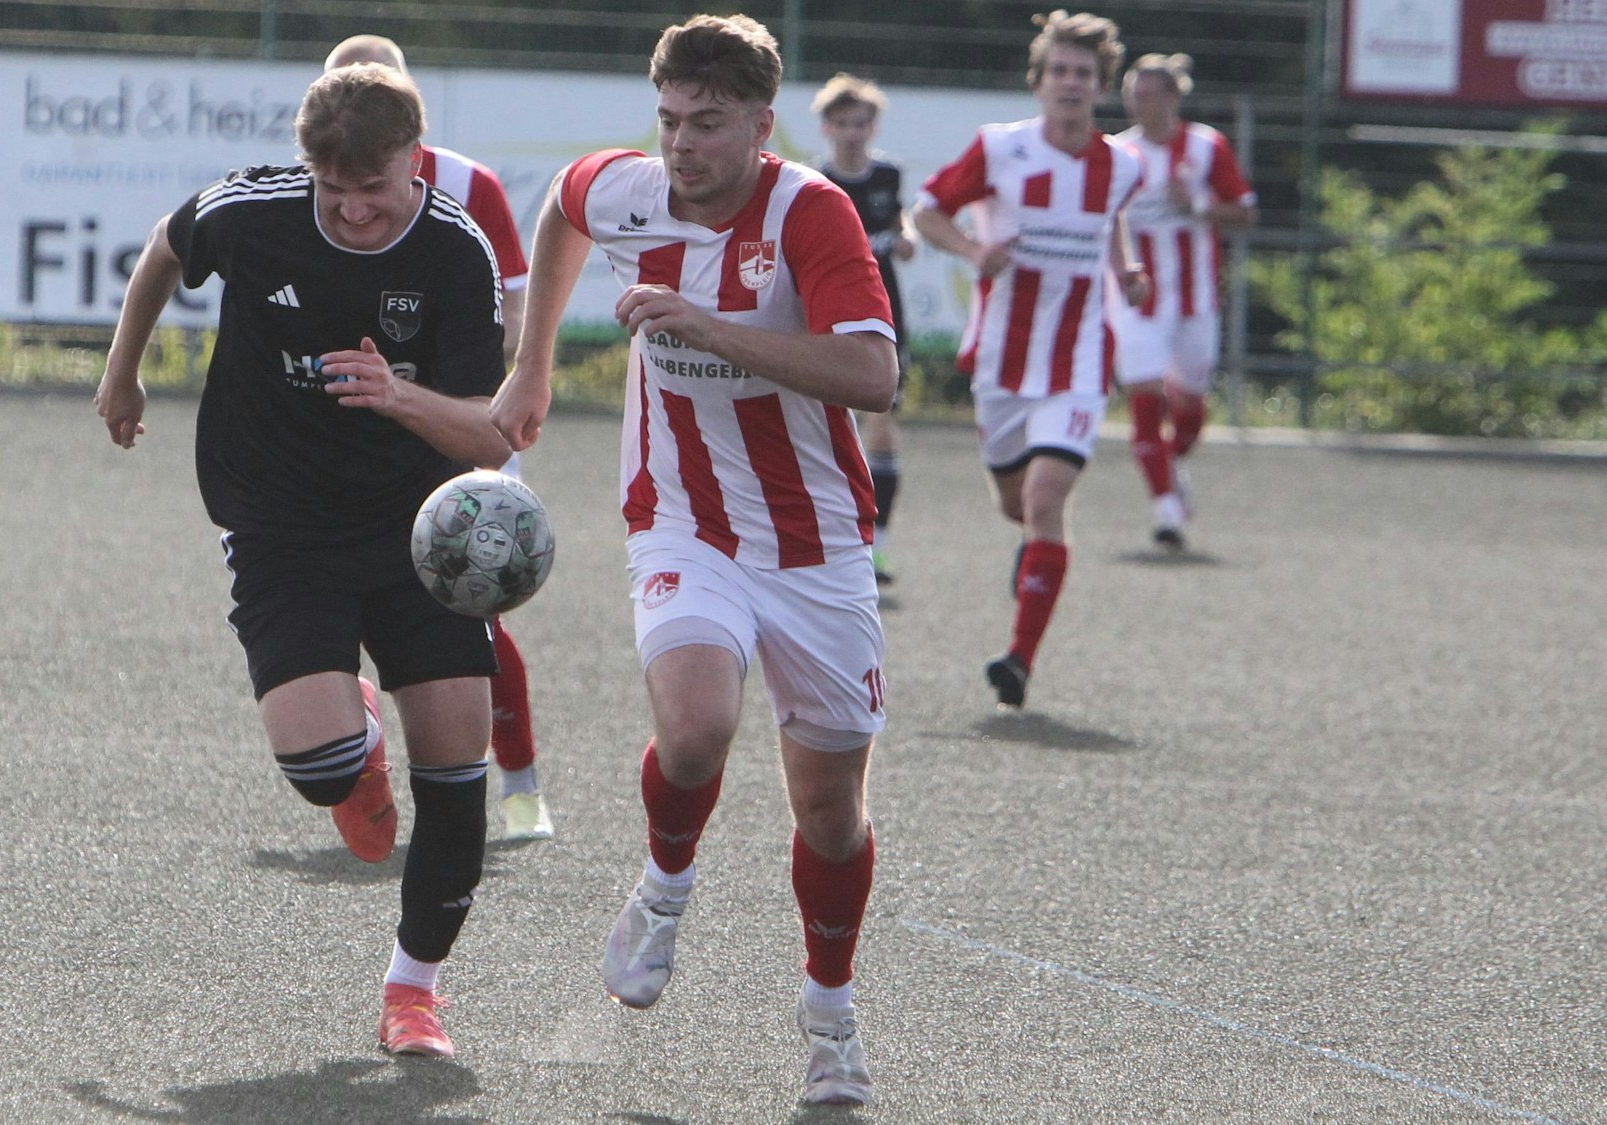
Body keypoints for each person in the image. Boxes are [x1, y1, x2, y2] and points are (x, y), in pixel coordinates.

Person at [489, 14, 897, 1105]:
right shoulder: (624, 188)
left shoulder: (811, 211)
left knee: (828, 813)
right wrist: (530, 367)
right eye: (668, 119)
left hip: (814, 543)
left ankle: (828, 1014)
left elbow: (870, 375)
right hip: (681, 520)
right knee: (696, 725)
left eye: (708, 124)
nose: (681, 145)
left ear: (762, 126)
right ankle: (664, 887)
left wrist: (709, 328)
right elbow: (561, 209)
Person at [94, 62, 513, 1059]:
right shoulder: (251, 211)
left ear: (414, 162)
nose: (356, 214)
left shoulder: (458, 252)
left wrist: (397, 396)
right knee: (321, 765)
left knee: (457, 768)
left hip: (421, 530)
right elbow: (164, 247)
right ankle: (353, 743)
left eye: (374, 192)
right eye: (335, 194)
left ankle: (414, 991)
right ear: (309, 171)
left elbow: (490, 439)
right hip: (281, 523)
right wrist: (123, 374)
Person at [324, 34, 554, 841]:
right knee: (333, 598)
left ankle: (518, 780)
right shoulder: (318, 187)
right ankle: (359, 742)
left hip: (457, 420)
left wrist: (480, 410)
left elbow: (518, 310)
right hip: (348, 431)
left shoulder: (470, 187)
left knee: (475, 595)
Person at [912, 9, 1149, 711]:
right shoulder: (1000, 148)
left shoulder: (1123, 164)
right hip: (1002, 362)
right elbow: (927, 212)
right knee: (1015, 501)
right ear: (1039, 82)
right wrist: (973, 251)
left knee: (1047, 499)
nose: (1071, 84)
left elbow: (1111, 217)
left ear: (1101, 86)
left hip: (1078, 358)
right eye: (1060, 72)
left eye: (1084, 74)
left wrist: (1127, 268)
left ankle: (1018, 658)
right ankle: (1033, 554)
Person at [1112, 52, 1258, 550]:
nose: (1138, 101)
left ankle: (1171, 465)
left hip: (1195, 301)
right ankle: (1166, 509)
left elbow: (1245, 212)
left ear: (1173, 97)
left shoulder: (1206, 146)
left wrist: (1194, 204)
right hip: (1137, 299)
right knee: (1145, 395)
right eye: (1133, 91)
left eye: (1149, 93)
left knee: (1191, 412)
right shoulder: (1118, 154)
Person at [812, 73, 914, 586]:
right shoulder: (814, 183)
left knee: (880, 424)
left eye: (862, 122)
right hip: (827, 319)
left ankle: (880, 544)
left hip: (885, 317)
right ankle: (834, 540)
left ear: (873, 126)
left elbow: (900, 225)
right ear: (827, 127)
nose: (853, 132)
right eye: (843, 122)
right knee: (827, 431)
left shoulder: (888, 176)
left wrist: (908, 236)